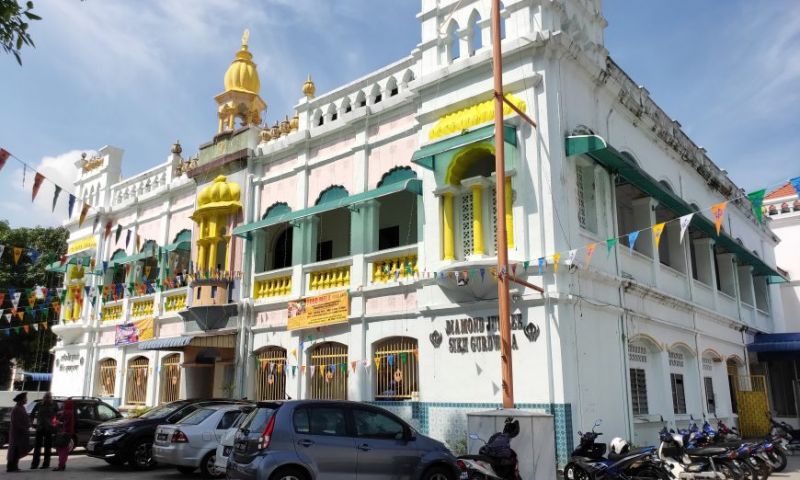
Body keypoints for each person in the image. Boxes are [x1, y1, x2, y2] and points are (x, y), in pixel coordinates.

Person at [30, 392, 56, 469]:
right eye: (46, 397)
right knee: (37, 447)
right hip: (40, 427)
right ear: (44, 398)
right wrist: (32, 423)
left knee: (48, 447)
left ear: (51, 398)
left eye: (49, 397)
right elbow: (32, 414)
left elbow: (57, 415)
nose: (47, 398)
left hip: (49, 428)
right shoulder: (39, 404)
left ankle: (46, 464)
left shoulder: (54, 405)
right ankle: (34, 464)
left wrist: (54, 425)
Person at [6, 392, 30, 473]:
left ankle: (15, 466)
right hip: (16, 433)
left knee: (18, 450)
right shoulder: (16, 409)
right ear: (21, 400)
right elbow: (15, 422)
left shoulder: (22, 407)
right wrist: (23, 428)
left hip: (21, 433)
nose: (26, 399)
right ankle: (10, 466)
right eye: (25, 398)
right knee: (14, 450)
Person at [53, 398, 75, 471]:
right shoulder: (71, 412)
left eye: (64, 403)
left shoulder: (67, 412)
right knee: (64, 449)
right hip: (68, 432)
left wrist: (58, 422)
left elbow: (65, 423)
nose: (63, 405)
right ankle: (62, 465)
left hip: (64, 432)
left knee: (61, 449)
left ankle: (61, 465)